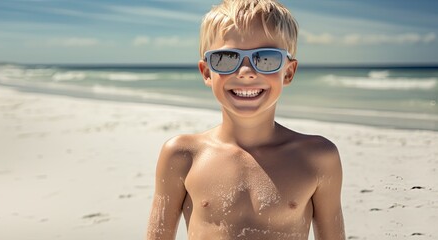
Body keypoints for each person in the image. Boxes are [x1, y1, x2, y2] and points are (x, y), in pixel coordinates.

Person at [146, 0, 345, 239]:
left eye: (267, 58)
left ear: (288, 72)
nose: (246, 71)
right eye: (227, 58)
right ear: (207, 72)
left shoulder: (318, 157)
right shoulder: (182, 155)